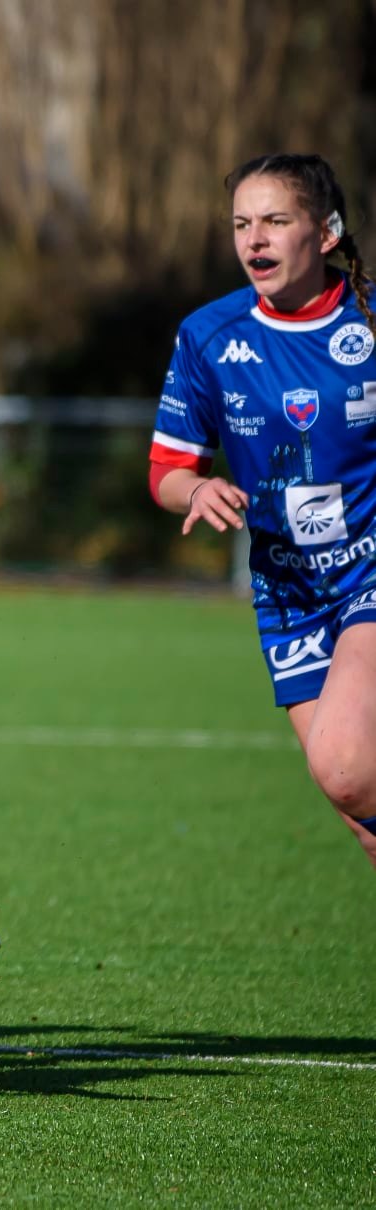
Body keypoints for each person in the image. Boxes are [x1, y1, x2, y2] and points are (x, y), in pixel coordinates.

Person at [149, 152, 376, 869]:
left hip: (368, 567)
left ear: (327, 231)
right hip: (288, 592)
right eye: (242, 224)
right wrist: (198, 489)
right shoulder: (209, 336)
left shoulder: (369, 322)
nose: (255, 240)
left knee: (343, 766)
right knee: (361, 814)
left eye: (276, 221)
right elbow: (166, 472)